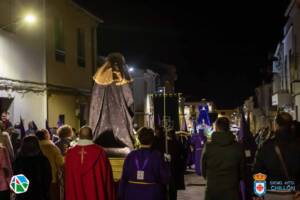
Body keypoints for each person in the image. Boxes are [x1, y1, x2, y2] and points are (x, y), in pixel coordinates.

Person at [89, 53, 134, 149]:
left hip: (101, 126)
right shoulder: (122, 76)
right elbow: (129, 98)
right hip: (119, 121)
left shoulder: (99, 77)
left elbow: (94, 102)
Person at [253, 112, 300, 200]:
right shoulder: (297, 145)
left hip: (271, 192)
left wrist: (258, 194)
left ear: (276, 125)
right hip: (294, 193)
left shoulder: (267, 146)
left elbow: (259, 171)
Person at [118, 127, 170, 200]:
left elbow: (123, 179)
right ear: (152, 140)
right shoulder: (157, 156)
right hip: (151, 195)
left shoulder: (131, 155)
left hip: (131, 194)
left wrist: (121, 195)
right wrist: (167, 164)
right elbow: (165, 178)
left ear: (139, 139)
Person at [65, 126, 115, 200]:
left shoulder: (70, 154)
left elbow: (68, 181)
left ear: (79, 136)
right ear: (92, 136)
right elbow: (107, 178)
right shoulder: (101, 153)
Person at [201, 117, 245, 200]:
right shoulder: (238, 147)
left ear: (216, 127)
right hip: (232, 191)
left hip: (212, 191)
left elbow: (203, 170)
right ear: (228, 128)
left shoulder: (208, 146)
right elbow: (242, 171)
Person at [13, 136, 52, 200]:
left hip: (23, 195)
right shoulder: (43, 160)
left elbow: (16, 179)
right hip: (40, 194)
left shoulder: (19, 160)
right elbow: (48, 178)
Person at [36, 129, 64, 200]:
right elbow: (60, 162)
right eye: (48, 133)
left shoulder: (34, 146)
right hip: (52, 178)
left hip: (36, 179)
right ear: (46, 135)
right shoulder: (52, 147)